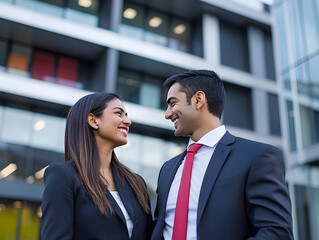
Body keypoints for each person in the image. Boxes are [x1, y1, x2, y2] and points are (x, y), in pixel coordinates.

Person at [152, 70, 293, 240]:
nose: (167, 114)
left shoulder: (257, 157)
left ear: (198, 100)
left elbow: (276, 232)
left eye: (172, 103)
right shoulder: (167, 169)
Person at [41, 92, 152, 240]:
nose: (127, 121)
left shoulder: (136, 183)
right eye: (119, 113)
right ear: (93, 120)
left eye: (126, 115)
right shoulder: (63, 175)